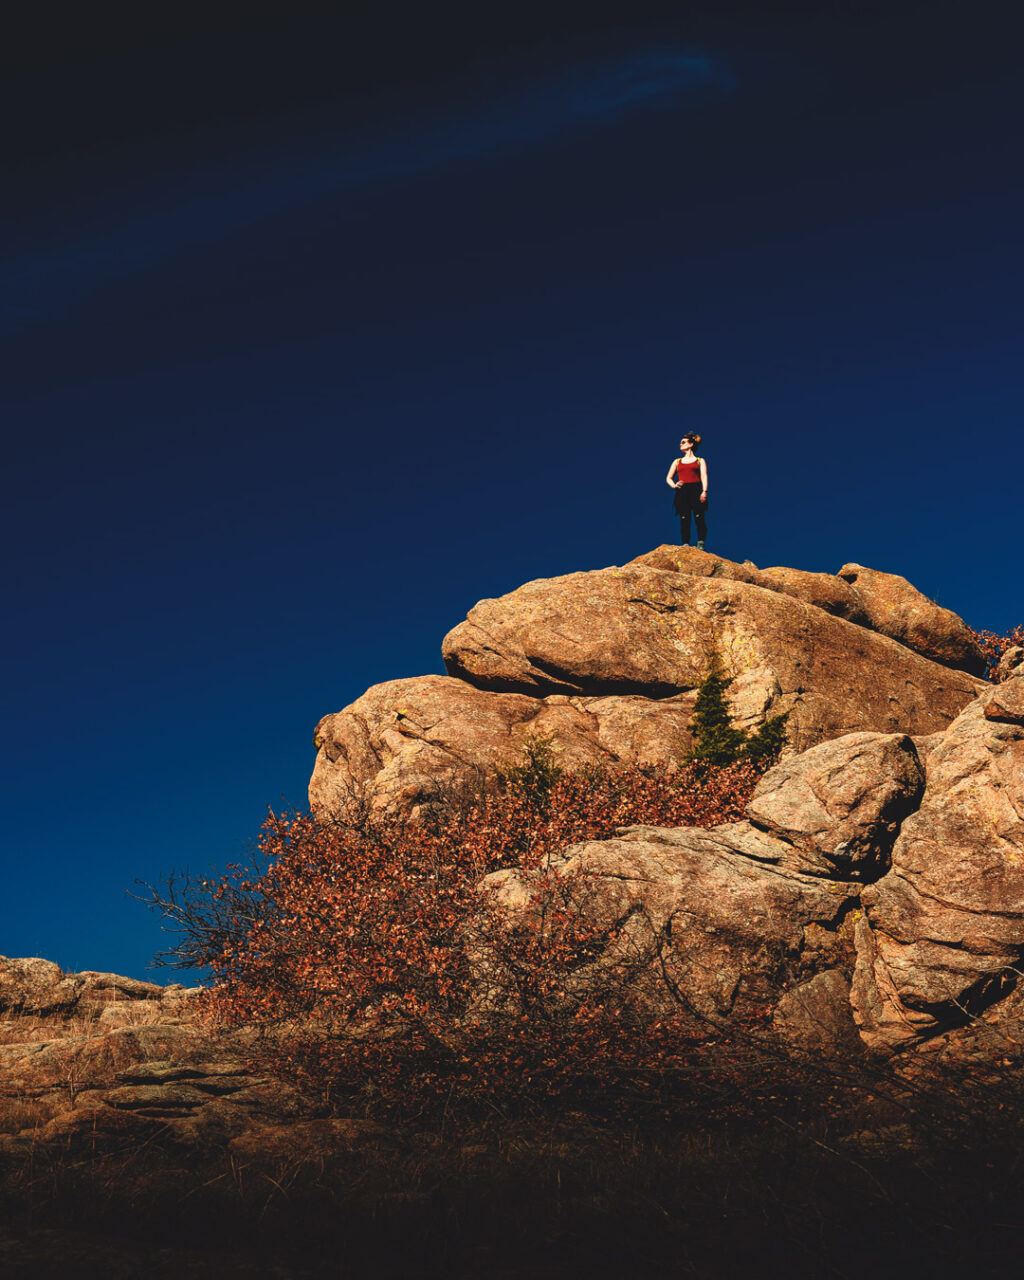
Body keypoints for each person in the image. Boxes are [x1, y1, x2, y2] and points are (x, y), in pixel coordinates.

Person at [666, 433, 708, 549]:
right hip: (682, 491)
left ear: (691, 444)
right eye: (680, 442)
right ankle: (685, 544)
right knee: (684, 518)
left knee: (699, 516)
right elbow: (668, 478)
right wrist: (674, 485)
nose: (680, 444)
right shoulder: (677, 461)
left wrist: (704, 491)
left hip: (696, 488)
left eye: (683, 442)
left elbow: (704, 476)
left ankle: (701, 543)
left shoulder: (700, 460)